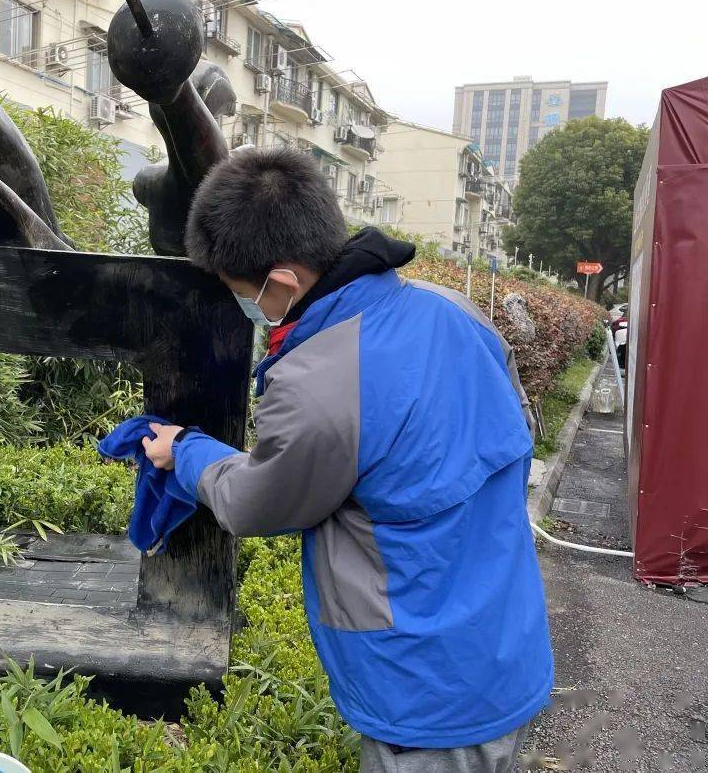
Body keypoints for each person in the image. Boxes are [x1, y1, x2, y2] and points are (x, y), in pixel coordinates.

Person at [141, 147, 553, 773]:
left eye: (242, 294)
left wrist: (187, 451)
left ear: (281, 283)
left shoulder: (318, 381)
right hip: (504, 643)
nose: (248, 309)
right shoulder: (453, 310)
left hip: (421, 687)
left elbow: (258, 502)